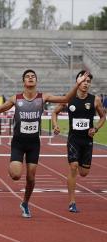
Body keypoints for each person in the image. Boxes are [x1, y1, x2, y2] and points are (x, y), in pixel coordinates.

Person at [0, 69, 89, 218]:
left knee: (31, 178)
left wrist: (77, 84)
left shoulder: (43, 97)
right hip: (18, 142)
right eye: (27, 77)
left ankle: (25, 203)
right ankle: (13, 166)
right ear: (23, 82)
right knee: (16, 175)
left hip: (34, 144)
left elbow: (66, 98)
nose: (30, 78)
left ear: (36, 81)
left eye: (33, 76)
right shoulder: (16, 99)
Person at [52, 71, 106, 213]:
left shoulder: (95, 100)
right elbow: (54, 112)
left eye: (88, 81)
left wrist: (95, 128)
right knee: (73, 166)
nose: (86, 83)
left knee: (84, 172)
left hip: (87, 140)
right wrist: (55, 125)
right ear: (77, 82)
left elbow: (103, 117)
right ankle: (72, 202)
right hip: (73, 139)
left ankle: (74, 195)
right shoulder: (69, 99)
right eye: (83, 80)